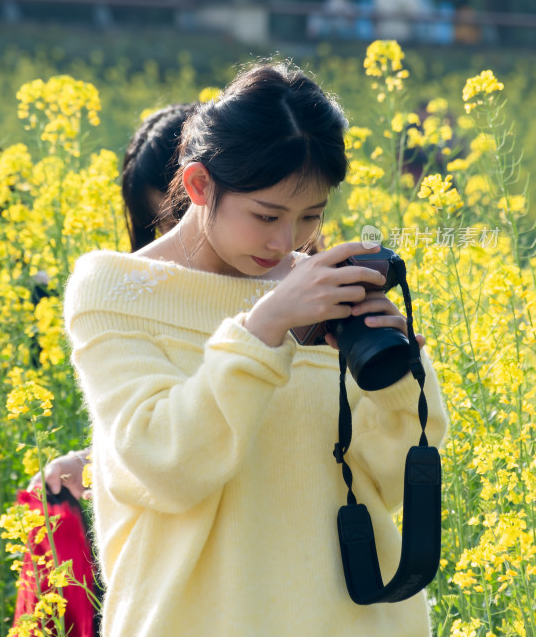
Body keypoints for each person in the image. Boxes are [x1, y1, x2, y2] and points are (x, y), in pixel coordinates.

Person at [64, 63, 447, 637]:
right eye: (266, 215)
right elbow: (164, 465)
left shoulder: (323, 289)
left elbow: (390, 486)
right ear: (199, 185)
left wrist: (397, 378)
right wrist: (264, 327)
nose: (286, 242)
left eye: (311, 215)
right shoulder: (113, 290)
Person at [28, 102, 195, 499]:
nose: (181, 242)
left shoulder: (305, 294)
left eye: (188, 215)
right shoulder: (140, 291)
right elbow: (166, 436)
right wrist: (92, 462)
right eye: (165, 226)